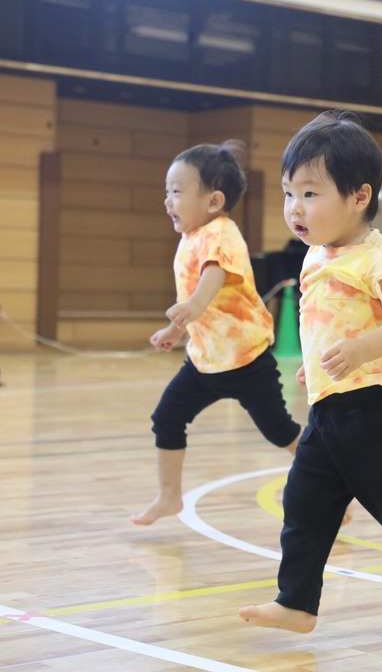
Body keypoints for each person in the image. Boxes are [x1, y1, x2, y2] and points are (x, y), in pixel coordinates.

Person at [240, 111, 382, 638]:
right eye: (288, 194)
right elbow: (330, 324)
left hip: (380, 411)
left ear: (360, 196)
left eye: (311, 194)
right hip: (330, 409)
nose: (295, 209)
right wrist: (318, 366)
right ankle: (297, 602)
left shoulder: (381, 257)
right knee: (303, 506)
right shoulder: (316, 255)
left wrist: (362, 349)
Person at [130, 140, 304, 526]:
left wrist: (191, 308)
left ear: (213, 201)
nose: (167, 201)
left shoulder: (221, 234)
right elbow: (194, 297)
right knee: (167, 418)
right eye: (166, 192)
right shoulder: (191, 236)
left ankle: (334, 487)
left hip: (246, 360)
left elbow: (214, 275)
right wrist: (177, 329)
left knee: (280, 430)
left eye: (176, 191)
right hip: (205, 360)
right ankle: (169, 496)